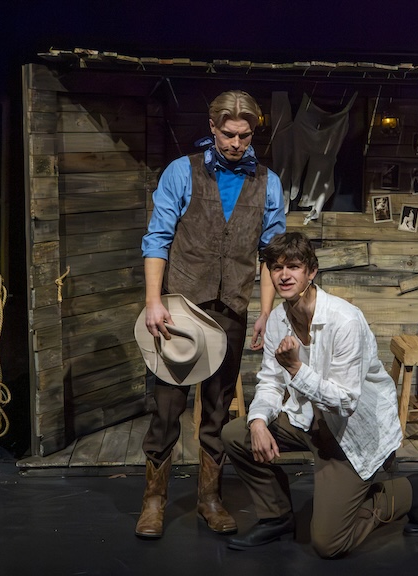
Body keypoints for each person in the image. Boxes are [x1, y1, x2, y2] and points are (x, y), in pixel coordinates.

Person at [221, 232, 418, 558]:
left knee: (329, 543)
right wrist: (259, 421)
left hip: (350, 432)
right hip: (308, 419)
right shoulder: (278, 319)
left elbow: (346, 402)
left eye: (293, 266)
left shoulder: (344, 320)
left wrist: (295, 369)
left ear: (312, 272)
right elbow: (269, 382)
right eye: (276, 267)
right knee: (237, 434)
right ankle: (276, 517)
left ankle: (407, 492)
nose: (284, 275)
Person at [136, 90, 286, 539]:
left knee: (218, 410)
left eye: (243, 136)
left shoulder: (268, 182)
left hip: (233, 311)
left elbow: (271, 257)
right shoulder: (182, 172)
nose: (236, 144)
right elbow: (156, 239)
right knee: (167, 408)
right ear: (212, 126)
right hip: (180, 309)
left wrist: (265, 313)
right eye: (227, 134)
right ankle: (154, 500)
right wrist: (153, 300)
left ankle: (210, 497)